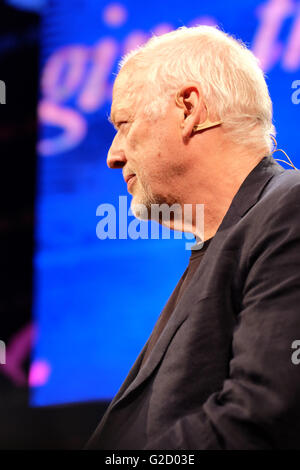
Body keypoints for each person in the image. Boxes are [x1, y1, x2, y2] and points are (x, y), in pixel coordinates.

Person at [86, 25, 300, 450]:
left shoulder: (289, 209)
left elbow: (260, 416)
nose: (114, 155)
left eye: (124, 124)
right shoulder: (231, 239)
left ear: (188, 108)